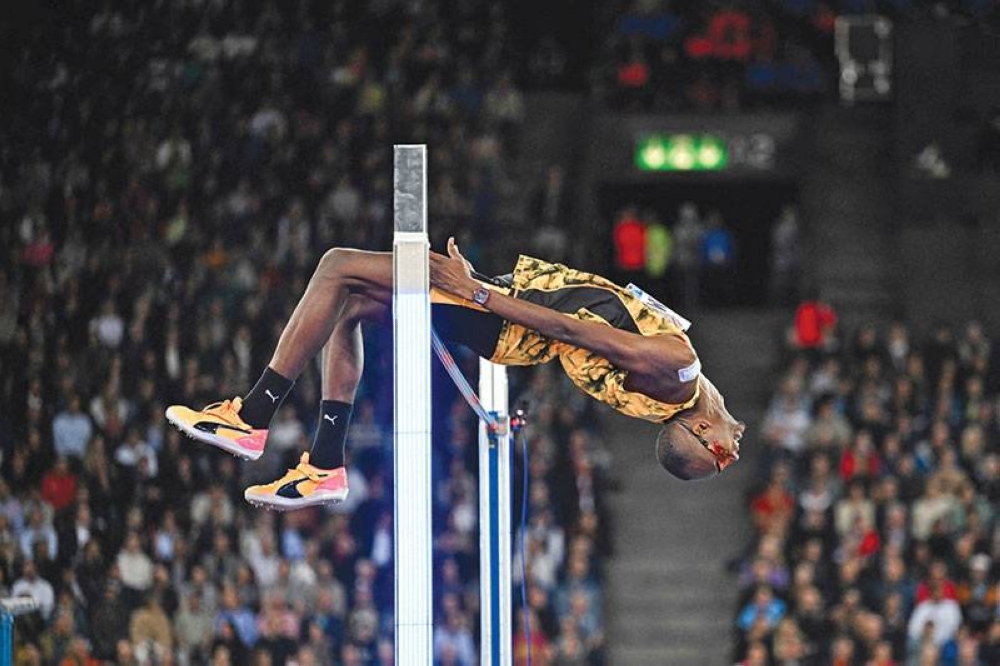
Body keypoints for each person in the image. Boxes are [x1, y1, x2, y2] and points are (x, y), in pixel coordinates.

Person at [167, 239, 744, 510]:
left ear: (697, 431)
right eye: (723, 458)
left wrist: (479, 292)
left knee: (338, 268)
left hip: (505, 318)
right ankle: (323, 465)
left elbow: (575, 330)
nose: (732, 450)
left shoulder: (675, 370)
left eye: (719, 456)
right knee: (353, 307)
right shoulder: (683, 385)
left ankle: (253, 415)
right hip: (511, 314)